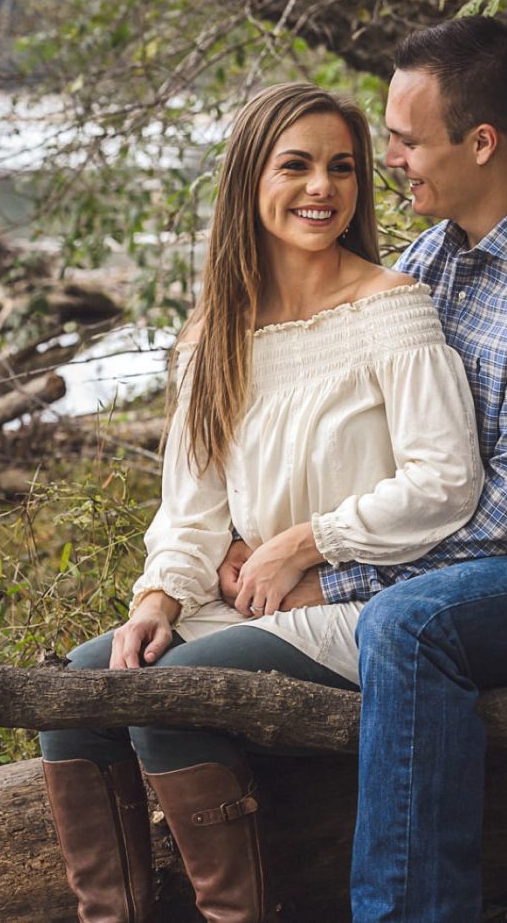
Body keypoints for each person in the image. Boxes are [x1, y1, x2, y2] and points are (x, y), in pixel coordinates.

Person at [229, 17, 507, 923]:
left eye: (404, 140)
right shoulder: (436, 257)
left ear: (481, 142)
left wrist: (335, 574)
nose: (389, 158)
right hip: (468, 560)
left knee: (407, 626)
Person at [37, 80, 482, 923]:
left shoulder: (392, 308)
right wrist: (158, 598)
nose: (324, 187)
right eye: (298, 165)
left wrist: (306, 542)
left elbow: (445, 481)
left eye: (343, 168)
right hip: (251, 601)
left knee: (176, 694)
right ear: (250, 179)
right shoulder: (213, 337)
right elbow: (192, 507)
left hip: (366, 607)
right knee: (80, 689)